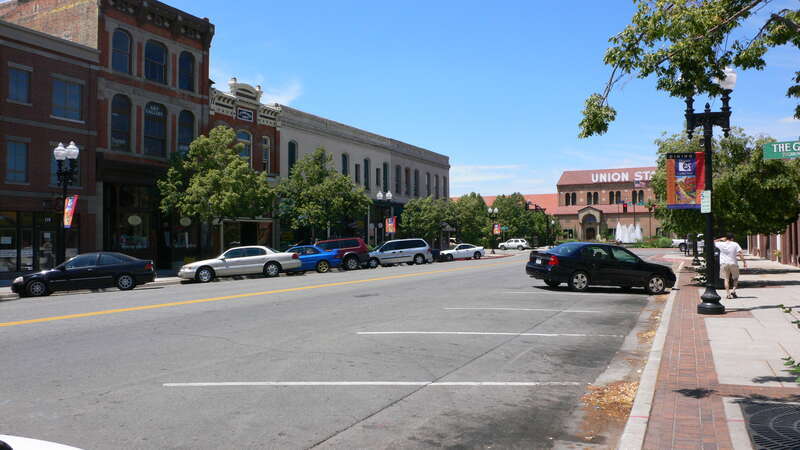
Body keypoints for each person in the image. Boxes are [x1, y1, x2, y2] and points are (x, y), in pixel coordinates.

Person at [714, 232, 747, 299]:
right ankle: (733, 291)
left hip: (724, 263)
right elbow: (740, 253)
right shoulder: (735, 244)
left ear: (726, 238)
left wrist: (720, 239)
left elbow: (712, 241)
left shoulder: (721, 244)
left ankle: (728, 294)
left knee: (726, 279)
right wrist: (744, 262)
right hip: (733, 263)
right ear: (732, 238)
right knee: (735, 278)